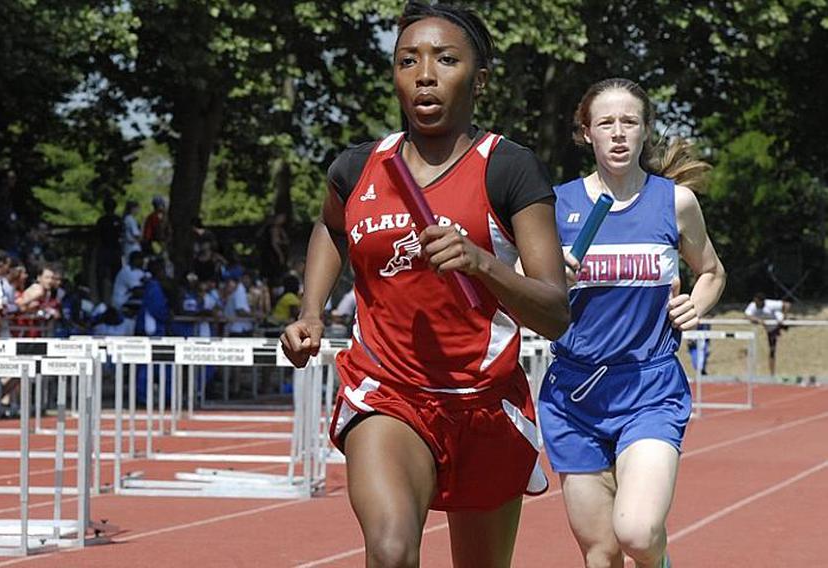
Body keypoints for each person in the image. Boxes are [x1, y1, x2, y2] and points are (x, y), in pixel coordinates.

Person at [280, 3, 569, 565]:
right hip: (387, 393)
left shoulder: (508, 168)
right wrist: (311, 310)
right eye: (408, 60)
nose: (425, 74)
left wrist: (481, 263)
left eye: (445, 59)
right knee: (390, 552)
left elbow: (556, 312)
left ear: (478, 79)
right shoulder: (359, 168)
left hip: (482, 402)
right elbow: (332, 228)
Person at [540, 78, 727, 568]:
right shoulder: (555, 207)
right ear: (586, 133)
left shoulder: (675, 203)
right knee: (601, 553)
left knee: (639, 534)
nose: (618, 133)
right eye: (606, 123)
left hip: (648, 386)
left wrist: (698, 305)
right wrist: (547, 278)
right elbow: (520, 295)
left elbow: (710, 271)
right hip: (573, 395)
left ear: (645, 131)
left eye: (630, 122)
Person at [744, 293, 791, 376]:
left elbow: (787, 305)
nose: (756, 304)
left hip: (779, 323)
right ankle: (772, 374)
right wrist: (758, 320)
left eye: (758, 303)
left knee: (795, 324)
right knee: (772, 350)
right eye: (755, 302)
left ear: (762, 302)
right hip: (771, 329)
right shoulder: (752, 306)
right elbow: (747, 316)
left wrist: (784, 317)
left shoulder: (770, 304)